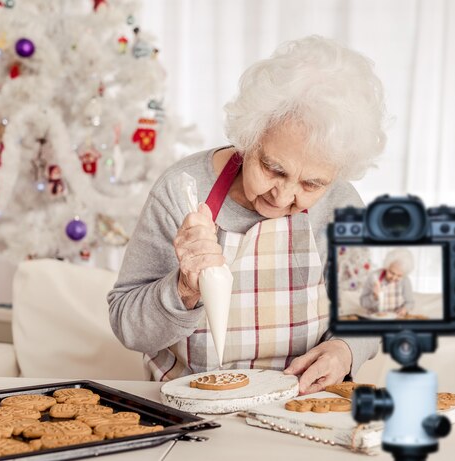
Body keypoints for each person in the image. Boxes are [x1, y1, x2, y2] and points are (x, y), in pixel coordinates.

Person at [108, 35, 386, 395]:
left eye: (312, 183)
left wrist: (345, 351)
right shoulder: (182, 190)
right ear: (249, 138)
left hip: (298, 409)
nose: (284, 195)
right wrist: (184, 289)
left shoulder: (341, 205)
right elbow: (127, 327)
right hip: (190, 411)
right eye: (273, 168)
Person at [360, 249, 415, 317]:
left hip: (396, 319)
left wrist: (405, 309)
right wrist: (374, 296)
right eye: (392, 272)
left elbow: (410, 302)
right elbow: (363, 303)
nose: (394, 278)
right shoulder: (373, 277)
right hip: (375, 319)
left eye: (399, 275)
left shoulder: (405, 280)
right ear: (386, 267)